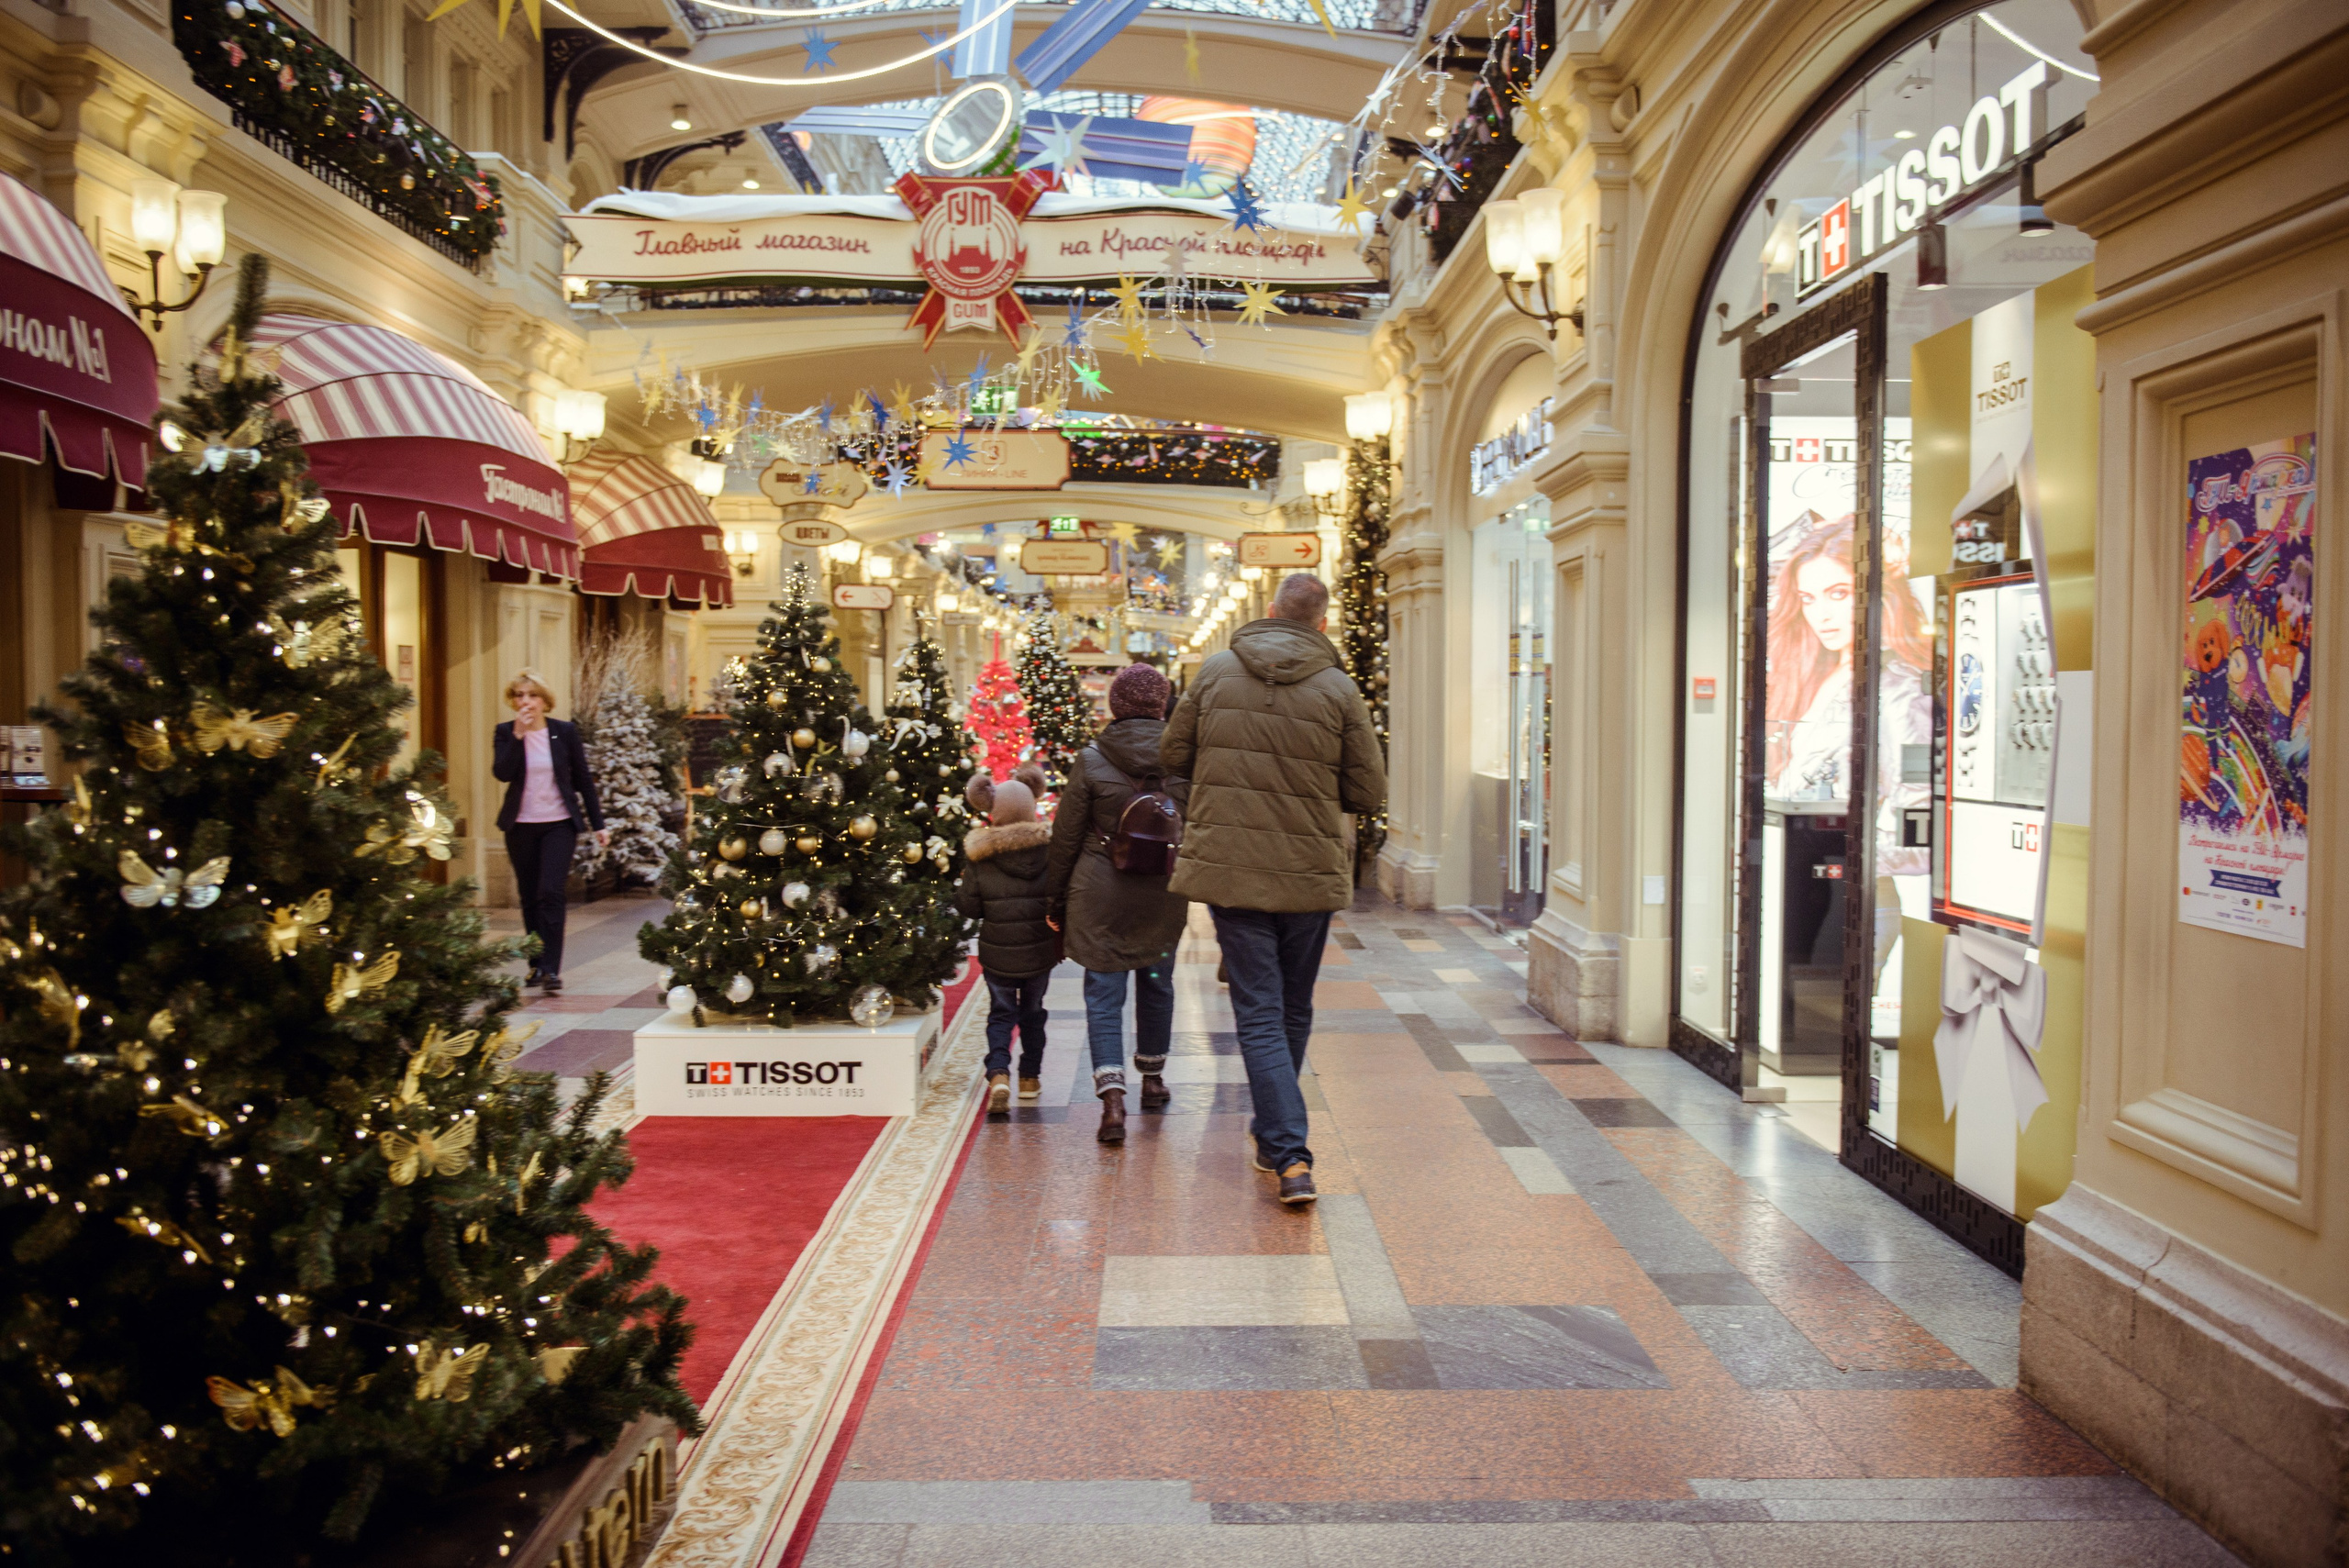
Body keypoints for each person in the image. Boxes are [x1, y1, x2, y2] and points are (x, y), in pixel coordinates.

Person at [1162, 573, 1385, 1206]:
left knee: (1258, 1007)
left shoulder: (1214, 673)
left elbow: (1173, 752)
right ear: (1321, 623)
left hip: (1232, 866)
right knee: (1291, 1004)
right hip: (1309, 868)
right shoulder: (1339, 688)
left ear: (1269, 611)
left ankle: (1284, 1148)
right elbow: (1369, 792)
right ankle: (1283, 1147)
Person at [1047, 662, 1190, 1146]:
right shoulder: (1183, 759)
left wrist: (1056, 899)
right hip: (1163, 893)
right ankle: (1152, 1079)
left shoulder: (1091, 759)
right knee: (1157, 982)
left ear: (1115, 705)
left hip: (1100, 892)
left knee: (1103, 995)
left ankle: (1111, 1101)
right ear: (1161, 704)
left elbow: (1065, 838)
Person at [493, 671, 608, 994]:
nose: (524, 701)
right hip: (521, 826)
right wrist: (517, 736)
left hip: (558, 824)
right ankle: (535, 965)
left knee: (550, 892)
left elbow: (583, 780)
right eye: (518, 695)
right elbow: (502, 773)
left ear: (544, 701)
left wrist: (599, 824)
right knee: (529, 897)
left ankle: (551, 969)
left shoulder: (563, 732)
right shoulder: (505, 732)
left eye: (531, 695)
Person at [954, 763, 1057, 1112]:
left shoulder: (981, 858)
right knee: (1033, 1012)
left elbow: (969, 907)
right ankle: (1030, 1077)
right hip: (1040, 951)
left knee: (1001, 1013)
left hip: (997, 953)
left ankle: (998, 1072)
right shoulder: (1050, 851)